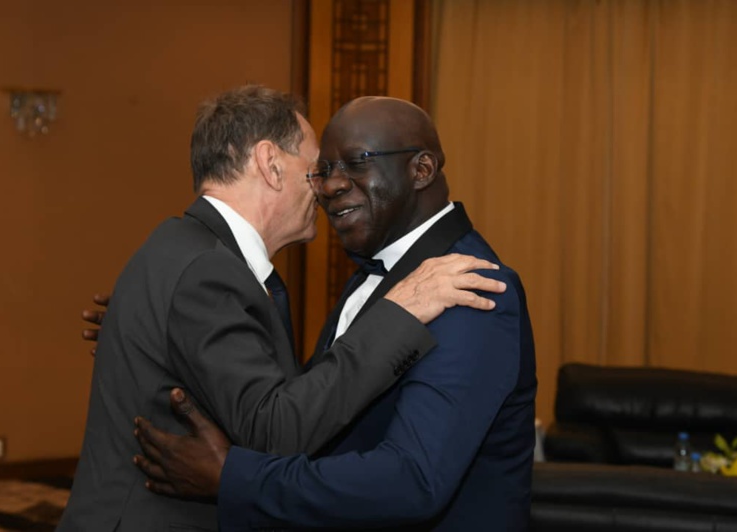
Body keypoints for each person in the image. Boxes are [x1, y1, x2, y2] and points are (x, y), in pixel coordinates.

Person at [59, 86, 505, 532]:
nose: (326, 187)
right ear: (270, 164)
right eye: (316, 170)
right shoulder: (208, 271)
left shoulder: (187, 251)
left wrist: (163, 337)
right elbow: (277, 430)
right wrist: (400, 312)